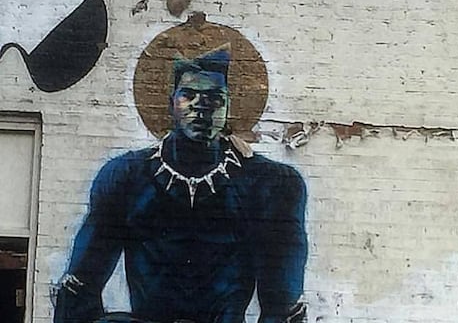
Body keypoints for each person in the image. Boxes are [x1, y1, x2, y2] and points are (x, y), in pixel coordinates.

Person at [54, 48, 308, 323]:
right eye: (189, 95)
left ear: (228, 108)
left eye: (214, 98)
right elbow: (80, 286)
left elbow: (282, 304)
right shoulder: (126, 177)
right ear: (170, 104)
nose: (201, 106)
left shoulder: (271, 184)